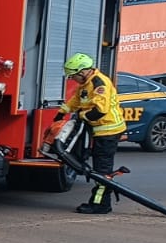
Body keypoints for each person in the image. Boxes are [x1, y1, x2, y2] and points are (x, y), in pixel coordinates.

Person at [52, 53, 126, 214]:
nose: (73, 79)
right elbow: (76, 101)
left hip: (108, 131)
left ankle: (101, 205)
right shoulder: (86, 84)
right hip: (101, 132)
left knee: (102, 172)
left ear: (83, 72)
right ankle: (99, 203)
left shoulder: (100, 84)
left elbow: (100, 111)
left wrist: (81, 116)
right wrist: (61, 112)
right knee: (100, 169)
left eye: (73, 76)